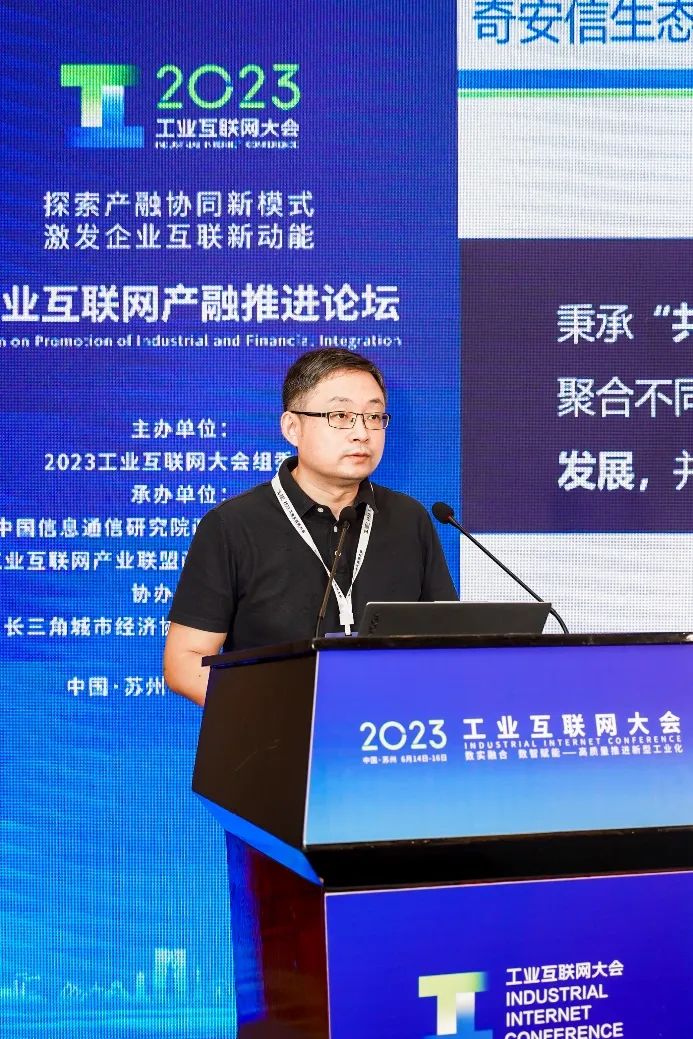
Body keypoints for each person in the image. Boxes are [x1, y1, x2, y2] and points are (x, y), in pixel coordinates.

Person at [163, 348, 457, 704]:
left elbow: (448, 642)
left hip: (387, 731)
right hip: (277, 733)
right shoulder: (233, 525)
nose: (362, 433)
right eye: (340, 415)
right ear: (292, 427)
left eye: (374, 416)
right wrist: (284, 713)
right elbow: (185, 662)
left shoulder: (409, 519)